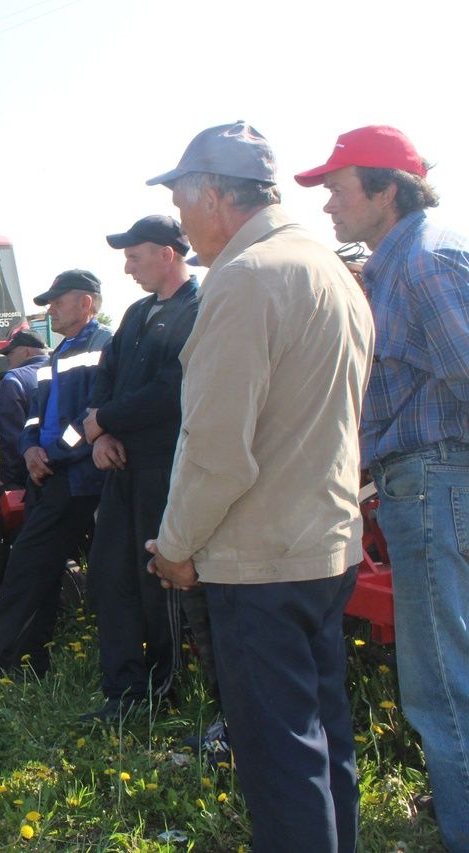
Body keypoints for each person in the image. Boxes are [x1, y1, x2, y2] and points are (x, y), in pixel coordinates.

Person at [144, 121, 374, 852]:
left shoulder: (245, 279)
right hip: (324, 549)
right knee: (322, 743)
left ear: (211, 194)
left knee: (279, 763)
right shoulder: (327, 267)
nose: (181, 219)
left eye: (181, 200)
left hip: (260, 561)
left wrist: (177, 546)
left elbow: (217, 450)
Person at [296, 125, 469, 852]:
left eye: (338, 188)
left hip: (433, 480)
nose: (328, 206)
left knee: (440, 685)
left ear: (386, 190)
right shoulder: (400, 259)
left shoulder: (423, 264)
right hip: (428, 479)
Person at [0, 271, 111, 681]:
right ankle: (25, 659)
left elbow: (90, 417)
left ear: (86, 303)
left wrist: (49, 454)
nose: (49, 308)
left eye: (58, 300)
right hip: (49, 473)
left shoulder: (104, 347)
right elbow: (38, 410)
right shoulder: (59, 351)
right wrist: (31, 445)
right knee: (35, 564)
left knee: (31, 563)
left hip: (77, 479)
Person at [77, 216, 200, 721]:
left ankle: (161, 691)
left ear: (167, 254)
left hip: (166, 468)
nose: (127, 268)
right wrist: (101, 434)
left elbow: (173, 389)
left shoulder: (201, 309)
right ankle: (123, 692)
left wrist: (103, 419)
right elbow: (106, 376)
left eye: (135, 256)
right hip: (121, 468)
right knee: (111, 575)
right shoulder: (135, 313)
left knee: (157, 579)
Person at [0, 329, 49, 490]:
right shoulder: (63, 369)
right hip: (67, 464)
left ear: (27, 352)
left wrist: (8, 481)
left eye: (10, 353)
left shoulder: (14, 379)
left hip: (30, 472)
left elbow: (11, 438)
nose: (8, 358)